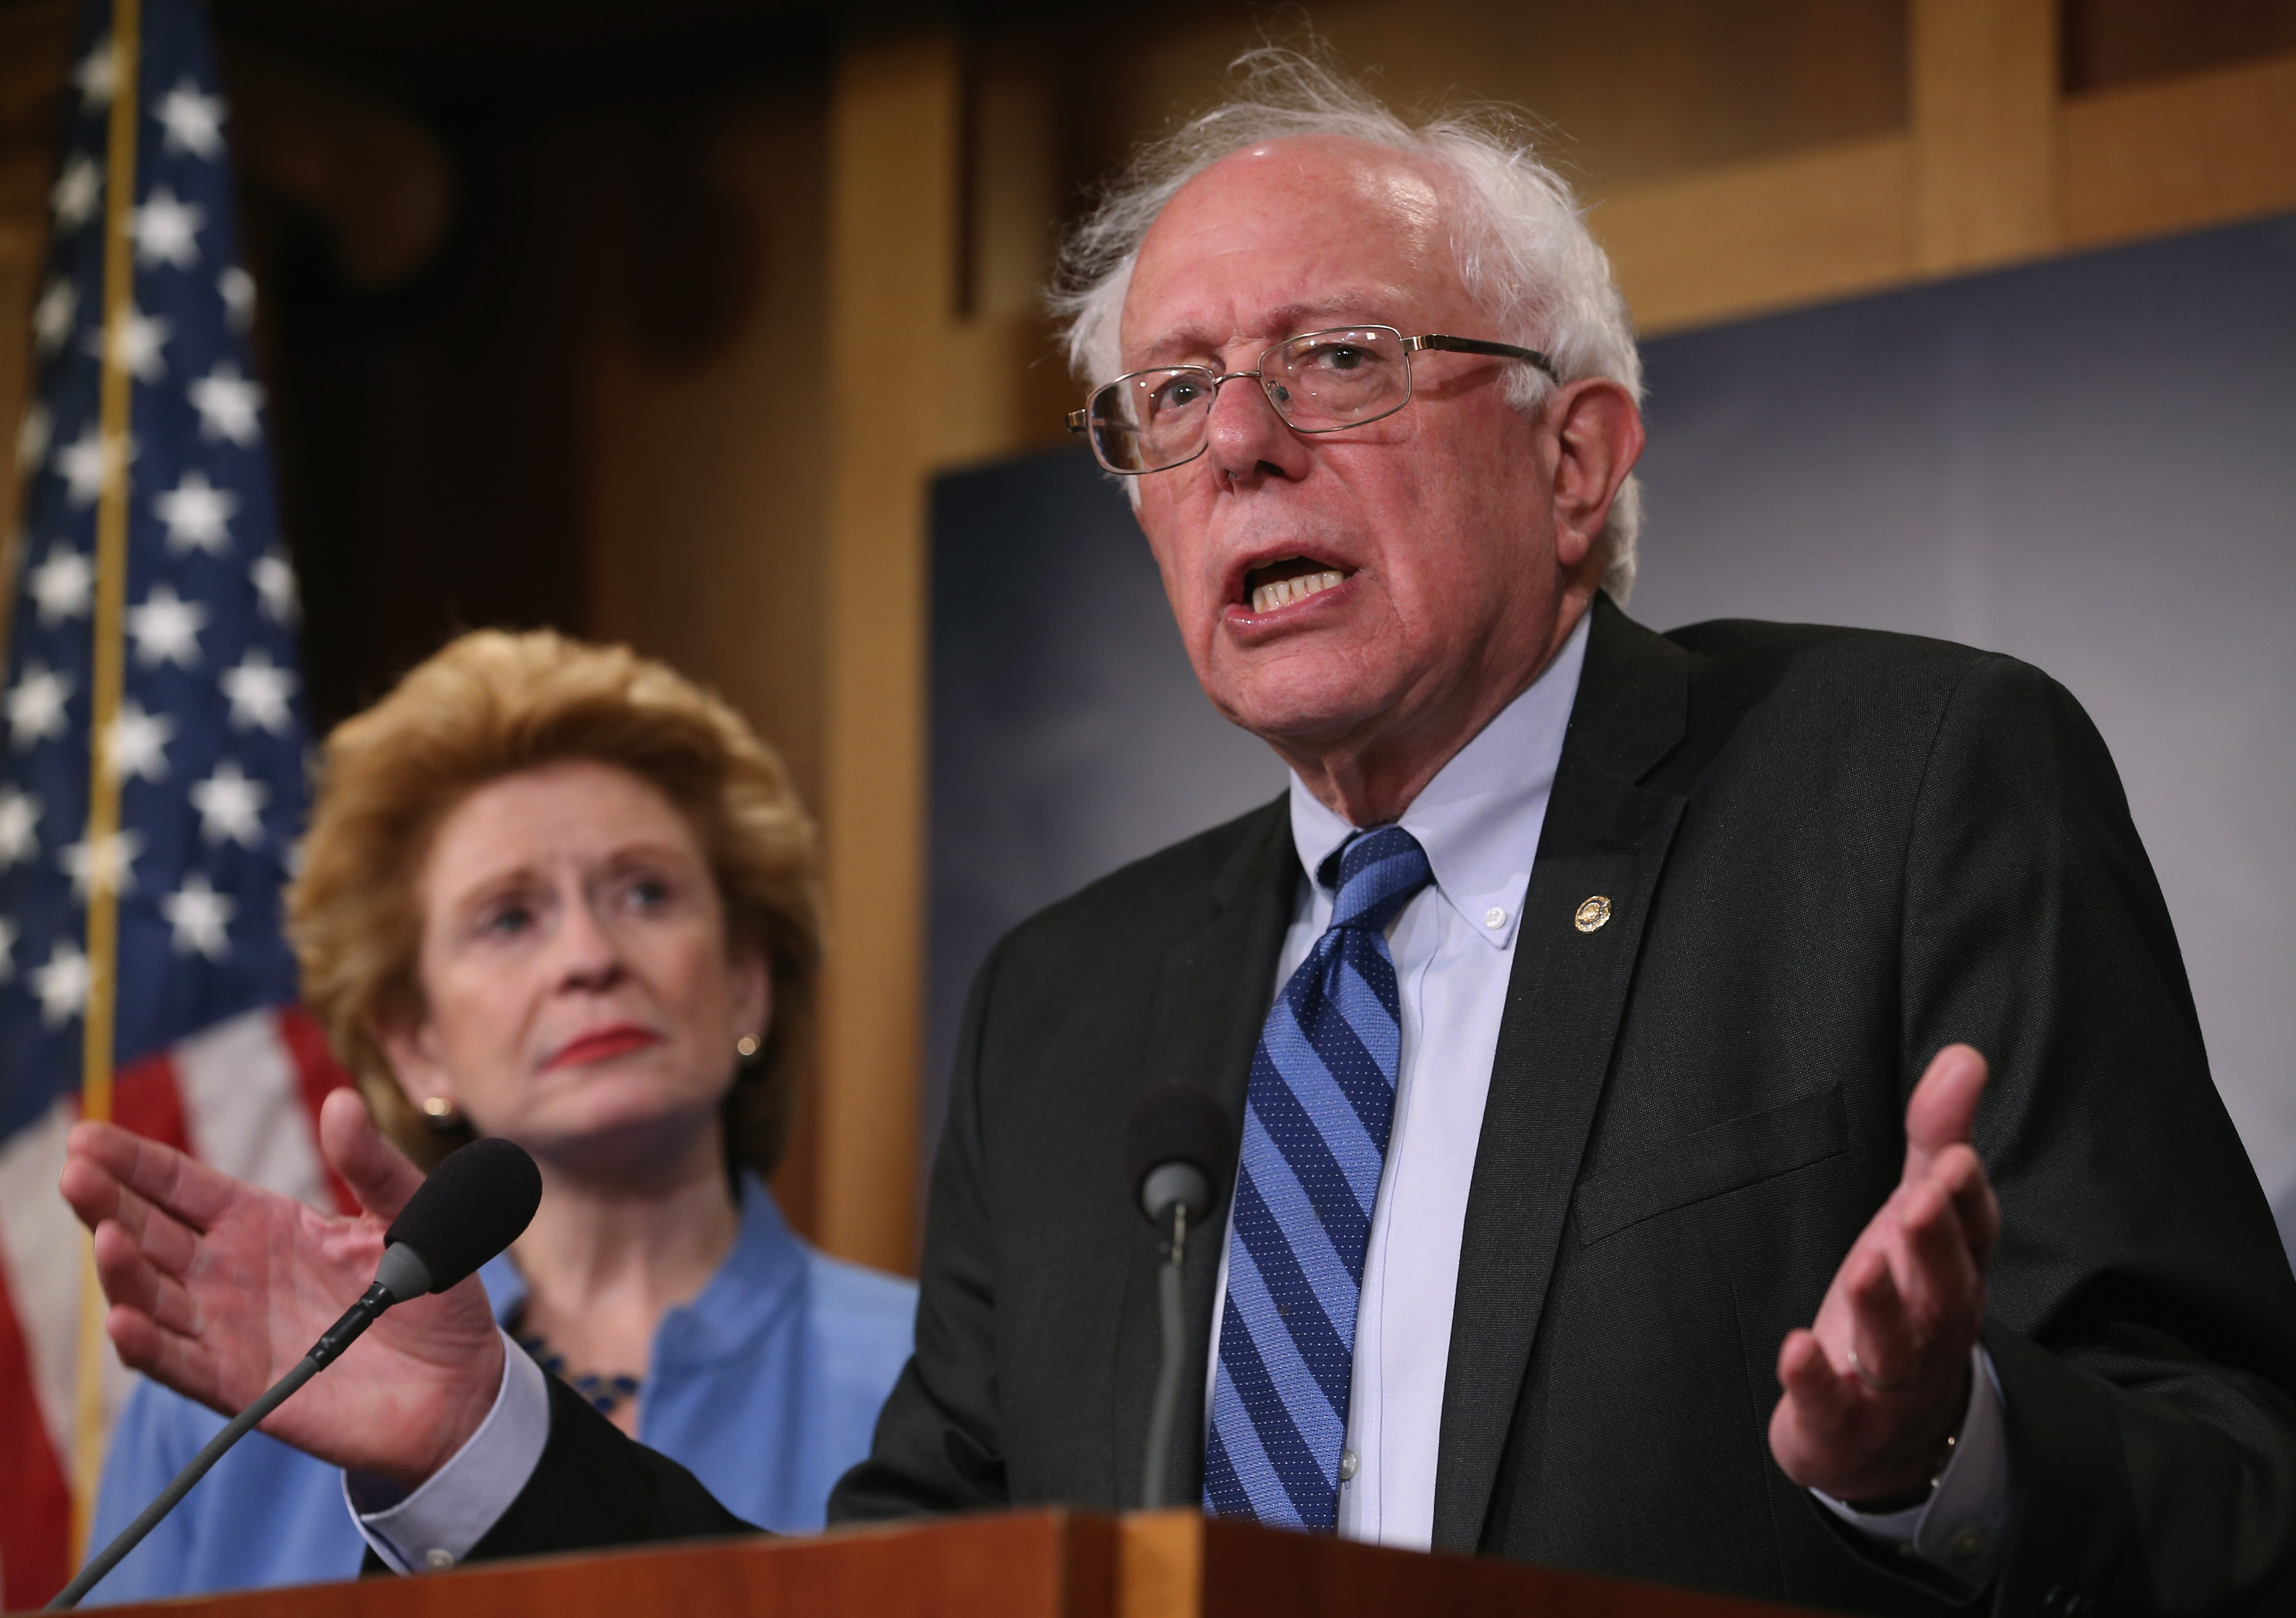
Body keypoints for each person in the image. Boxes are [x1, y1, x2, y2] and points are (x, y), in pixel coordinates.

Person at [63, 52, 2296, 1617]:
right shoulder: (1068, 1005)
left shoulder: (1896, 792)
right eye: (1165, 402)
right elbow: (893, 1610)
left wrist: (1937, 1456)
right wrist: (478, 1440)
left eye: (1333, 360)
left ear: (1572, 461)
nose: (1232, 445)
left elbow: (2224, 1482)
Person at [80, 630, 914, 1601]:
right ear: (416, 1039)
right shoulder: (230, 1408)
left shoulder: (934, 1380)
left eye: (645, 891)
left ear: (745, 983)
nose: (589, 956)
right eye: (509, 917)